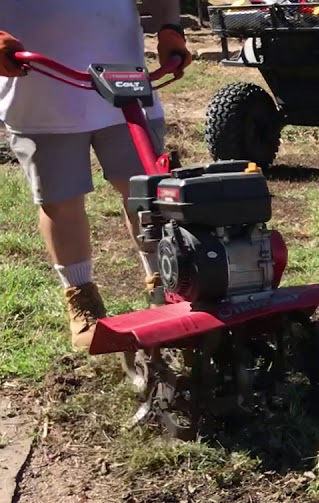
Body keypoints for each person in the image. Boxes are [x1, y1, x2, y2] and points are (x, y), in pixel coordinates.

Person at [0, 0, 192, 350]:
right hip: (40, 93)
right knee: (60, 201)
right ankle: (82, 299)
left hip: (126, 84)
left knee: (149, 192)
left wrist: (169, 29)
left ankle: (167, 283)